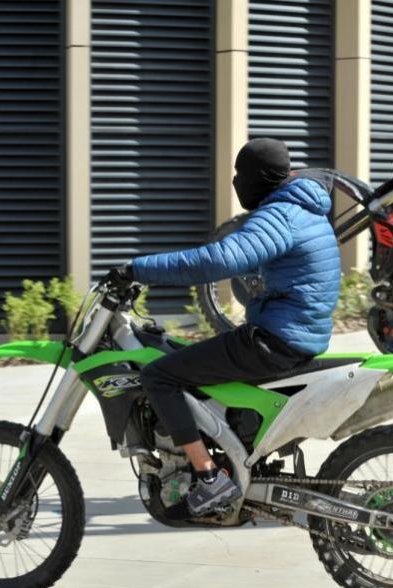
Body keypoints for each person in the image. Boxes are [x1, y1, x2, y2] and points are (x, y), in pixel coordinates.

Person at [106, 138, 341, 517]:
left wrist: (137, 269)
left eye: (240, 175)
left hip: (276, 339)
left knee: (159, 376)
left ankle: (210, 478)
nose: (236, 183)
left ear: (258, 178)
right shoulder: (304, 209)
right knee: (182, 357)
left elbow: (216, 260)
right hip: (295, 333)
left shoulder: (279, 214)